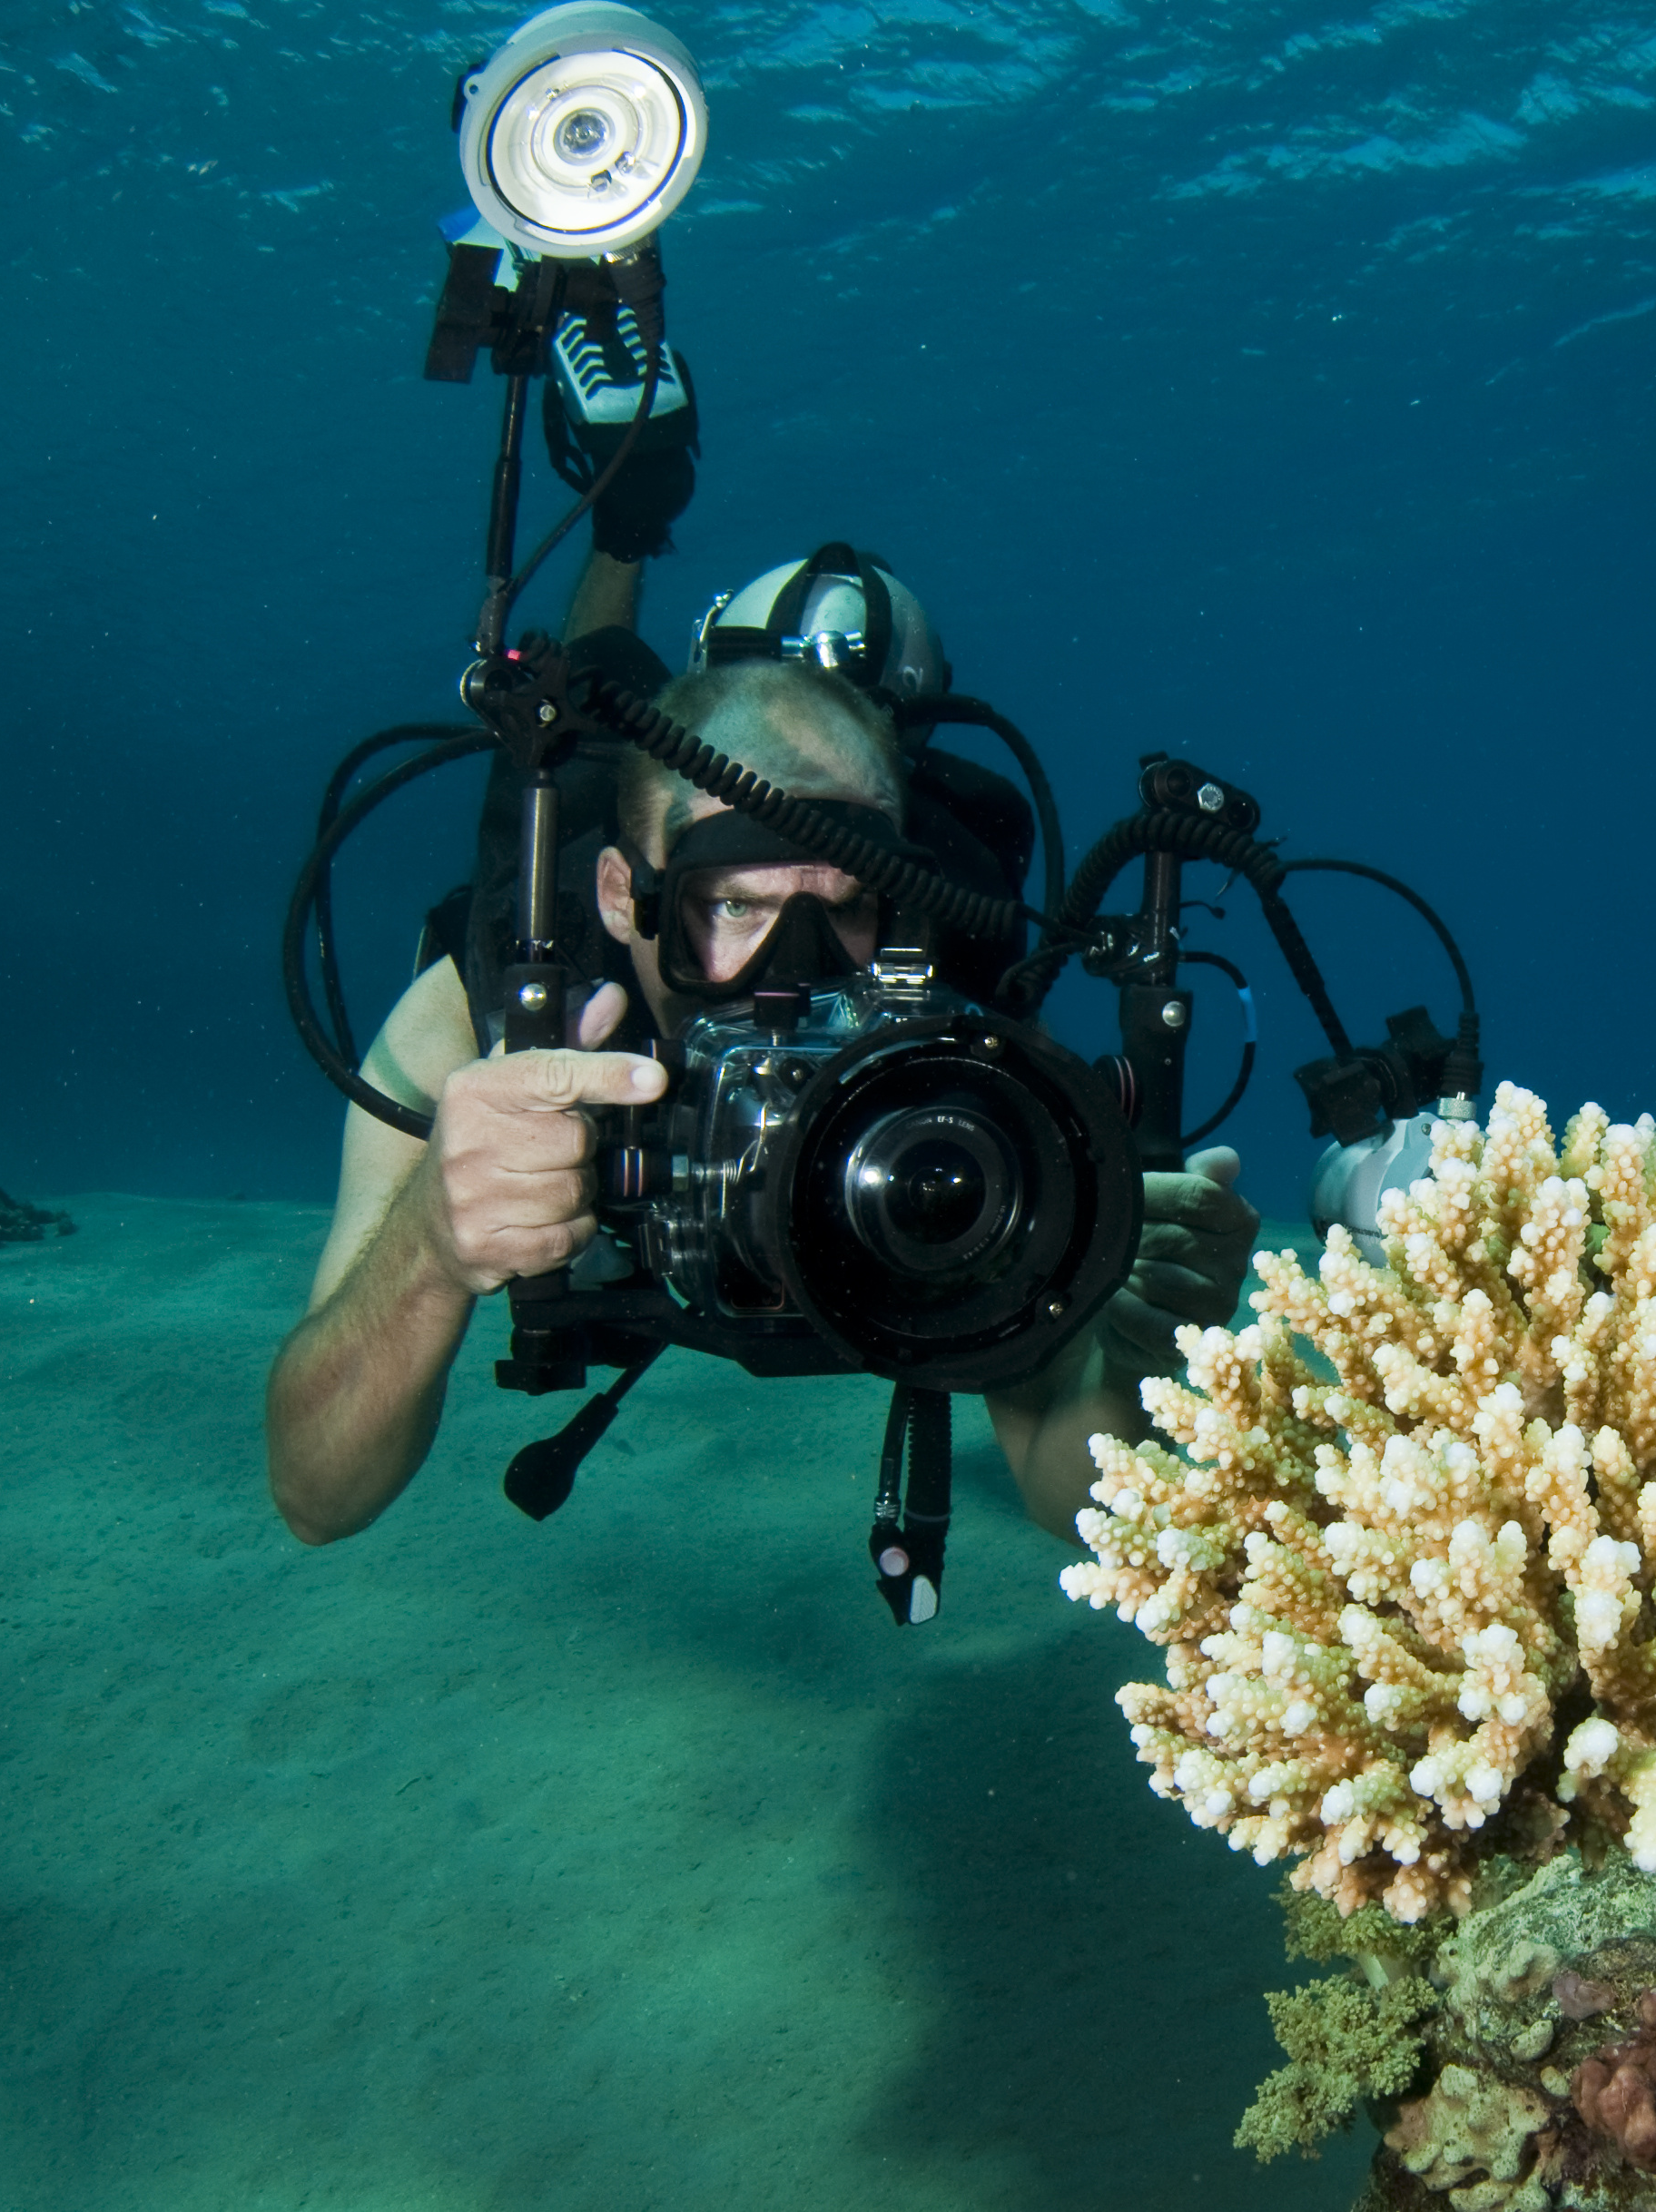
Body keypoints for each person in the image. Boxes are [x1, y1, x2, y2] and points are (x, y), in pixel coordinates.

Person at [266, 320, 1257, 1548]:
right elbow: (316, 1492)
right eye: (732, 904)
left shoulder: (952, 1022)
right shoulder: (481, 1021)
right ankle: (627, 520)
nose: (792, 968)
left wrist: (1137, 1356)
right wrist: (427, 1240)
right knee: (596, 681)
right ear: (629, 901)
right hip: (601, 796)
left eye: (841, 903)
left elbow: (1073, 1489)